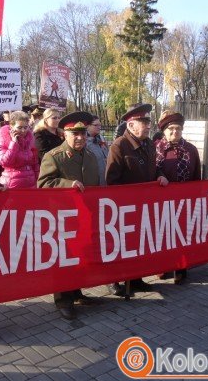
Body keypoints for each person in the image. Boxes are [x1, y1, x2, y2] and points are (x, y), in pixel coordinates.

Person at [37, 111, 100, 320]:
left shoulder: (90, 156)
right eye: (75, 134)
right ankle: (63, 300)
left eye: (82, 133)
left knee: (80, 255)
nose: (80, 137)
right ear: (65, 134)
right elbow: (43, 184)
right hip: (62, 217)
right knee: (64, 259)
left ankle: (76, 292)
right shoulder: (54, 156)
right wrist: (67, 185)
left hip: (84, 215)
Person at [105, 104, 168, 296]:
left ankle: (136, 278)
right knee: (120, 245)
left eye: (148, 121)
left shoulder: (149, 143)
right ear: (131, 125)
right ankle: (113, 280)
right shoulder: (119, 146)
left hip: (144, 206)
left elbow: (153, 168)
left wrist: (160, 175)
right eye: (144, 122)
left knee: (138, 244)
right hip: (124, 207)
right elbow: (111, 180)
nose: (148, 125)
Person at [155, 111, 200, 284]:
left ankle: (181, 268)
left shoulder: (190, 150)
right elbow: (152, 171)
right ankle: (162, 266)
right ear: (164, 131)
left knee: (182, 235)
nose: (175, 132)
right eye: (171, 129)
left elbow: (197, 176)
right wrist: (159, 174)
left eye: (178, 129)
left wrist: (196, 198)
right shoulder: (156, 148)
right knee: (163, 235)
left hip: (184, 202)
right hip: (161, 203)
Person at [0, 110, 39, 188]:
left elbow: (35, 164)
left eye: (25, 127)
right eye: (19, 127)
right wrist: (13, 143)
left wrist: (38, 181)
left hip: (31, 184)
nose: (23, 130)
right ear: (11, 127)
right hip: (12, 184)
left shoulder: (30, 141)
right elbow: (4, 162)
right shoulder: (3, 141)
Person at [86, 115, 108, 185]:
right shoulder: (83, 142)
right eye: (96, 125)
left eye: (100, 125)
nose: (99, 127)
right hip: (94, 182)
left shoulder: (101, 138)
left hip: (105, 178)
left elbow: (107, 152)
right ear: (87, 126)